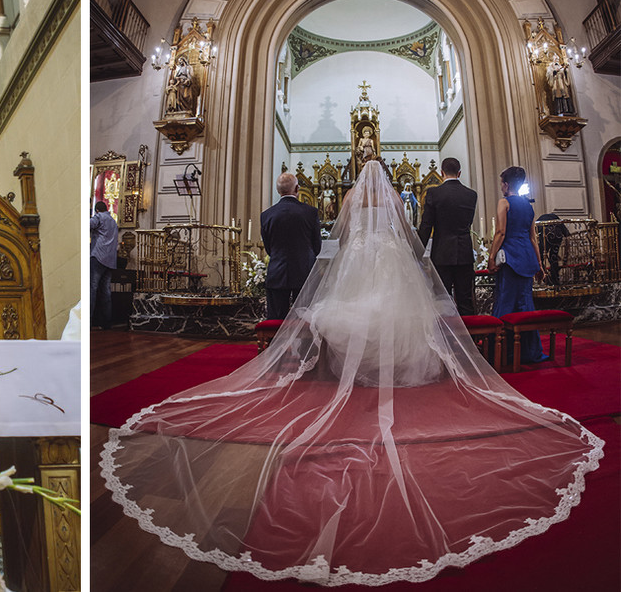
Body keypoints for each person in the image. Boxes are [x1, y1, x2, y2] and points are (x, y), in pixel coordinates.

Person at [102, 161, 601, 586]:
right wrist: (410, 253)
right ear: (386, 181)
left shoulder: (349, 201)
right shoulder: (399, 200)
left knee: (347, 310)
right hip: (390, 257)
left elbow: (338, 237)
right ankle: (392, 364)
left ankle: (353, 366)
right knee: (397, 314)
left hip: (360, 258)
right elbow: (408, 233)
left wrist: (358, 247)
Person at [488, 166, 546, 364]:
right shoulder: (528, 206)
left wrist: (491, 256)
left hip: (511, 259)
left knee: (506, 303)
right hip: (527, 258)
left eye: (501, 183)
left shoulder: (504, 202)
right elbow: (533, 238)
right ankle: (529, 351)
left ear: (506, 185)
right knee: (525, 306)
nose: (501, 187)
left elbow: (501, 232)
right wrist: (539, 264)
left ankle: (502, 352)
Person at [417, 157, 478, 315]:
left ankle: (448, 331)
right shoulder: (471, 195)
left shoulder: (434, 193)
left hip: (442, 253)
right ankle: (469, 330)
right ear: (459, 173)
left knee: (442, 300)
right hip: (464, 252)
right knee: (465, 300)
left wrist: (417, 252)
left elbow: (426, 226)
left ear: (442, 172)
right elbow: (468, 222)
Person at [260, 172, 320, 320]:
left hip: (277, 271)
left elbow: (268, 247)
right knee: (304, 320)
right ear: (297, 188)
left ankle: (276, 336)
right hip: (304, 271)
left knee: (276, 319)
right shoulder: (311, 212)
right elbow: (316, 246)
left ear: (278, 190)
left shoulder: (267, 215)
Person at [89, 201, 119, 330]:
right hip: (110, 260)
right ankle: (106, 322)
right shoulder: (113, 221)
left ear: (96, 210)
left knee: (92, 289)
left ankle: (88, 322)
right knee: (106, 291)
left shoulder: (99, 217)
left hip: (98, 256)